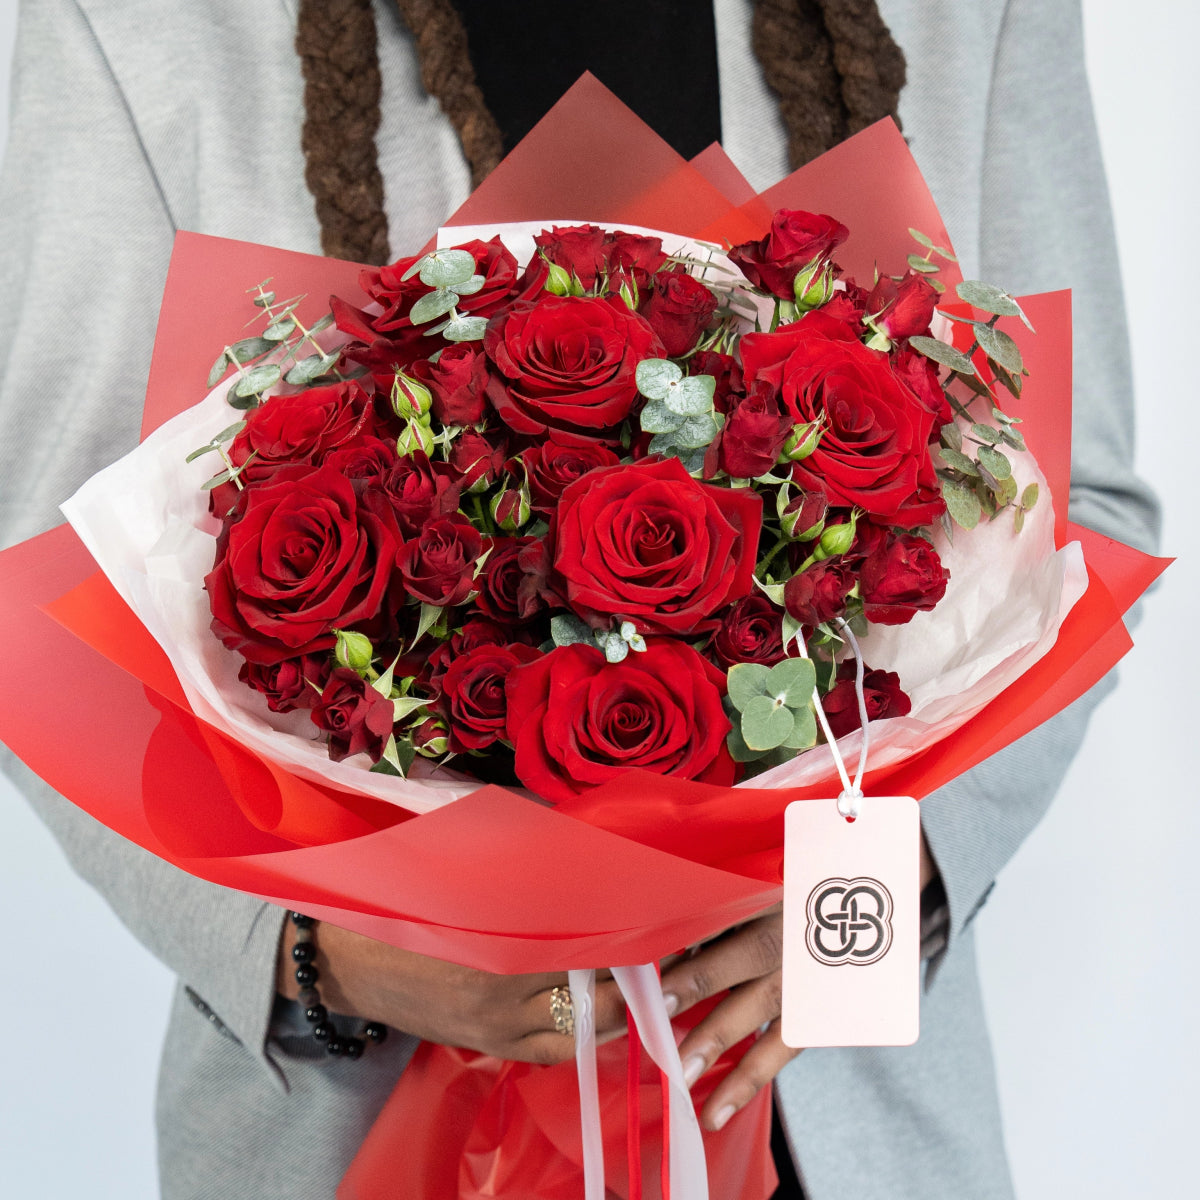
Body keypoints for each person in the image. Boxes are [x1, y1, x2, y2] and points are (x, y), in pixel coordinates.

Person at [0, 2, 1160, 1198]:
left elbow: (1079, 522)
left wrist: (867, 893)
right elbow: (43, 594)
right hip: (355, 1123)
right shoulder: (136, 22)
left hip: (835, 1126)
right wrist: (318, 959)